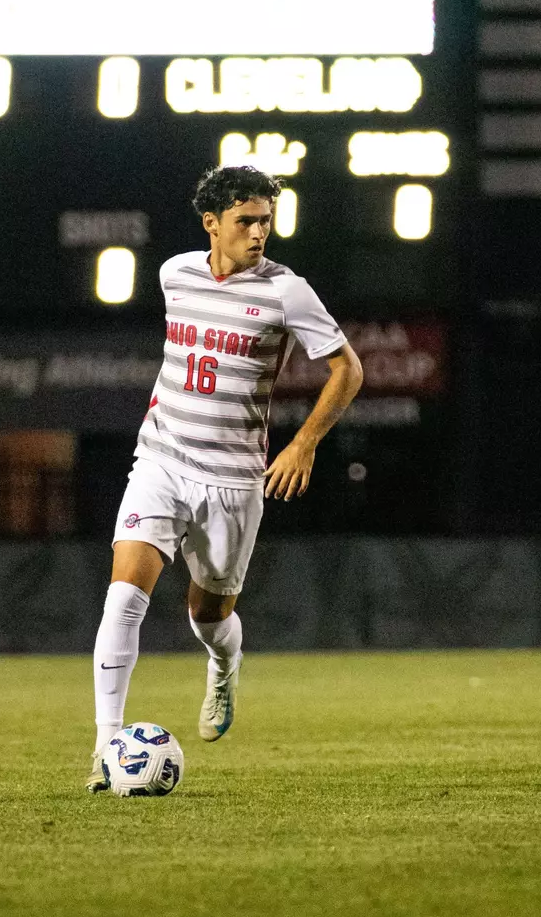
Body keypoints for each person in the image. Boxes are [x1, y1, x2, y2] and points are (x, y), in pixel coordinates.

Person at [86, 165, 363, 791]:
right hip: (161, 459)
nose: (259, 232)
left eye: (266, 220)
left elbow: (348, 371)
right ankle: (105, 748)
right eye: (246, 221)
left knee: (208, 615)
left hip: (233, 480)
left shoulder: (287, 291)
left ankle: (224, 662)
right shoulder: (173, 273)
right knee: (123, 598)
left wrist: (305, 443)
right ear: (212, 223)